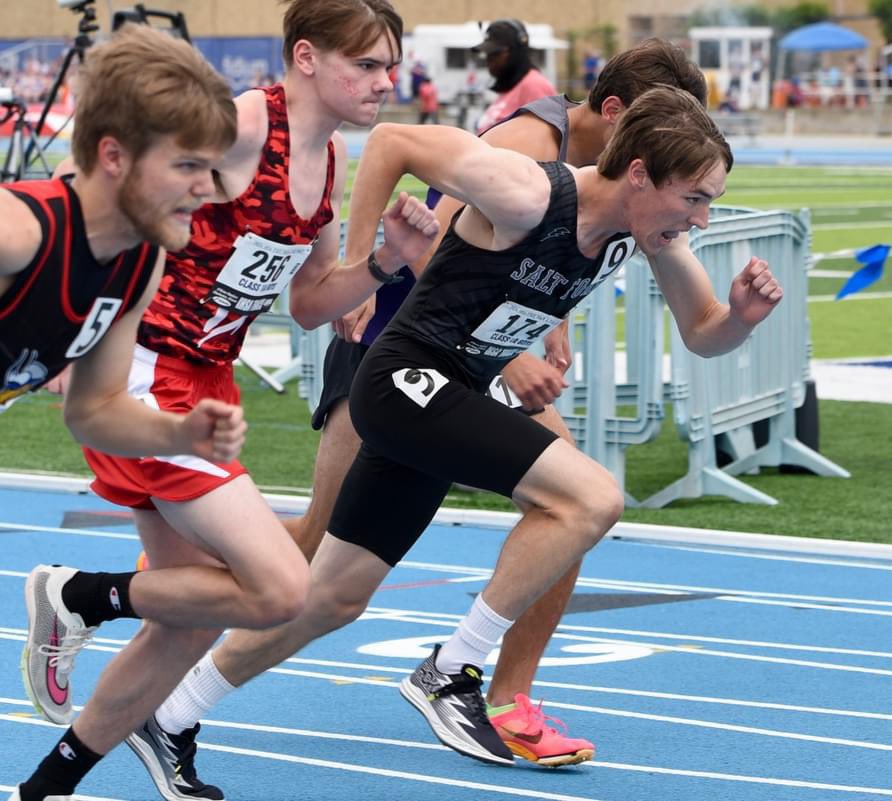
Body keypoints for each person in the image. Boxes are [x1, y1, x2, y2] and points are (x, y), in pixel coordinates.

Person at [133, 84, 782, 778]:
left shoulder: (647, 232)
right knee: (589, 496)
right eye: (693, 197)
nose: (702, 218)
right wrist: (364, 263)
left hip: (450, 396)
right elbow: (394, 142)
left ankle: (167, 715)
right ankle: (452, 668)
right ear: (640, 174)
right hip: (403, 381)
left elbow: (705, 332)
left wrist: (741, 317)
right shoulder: (528, 192)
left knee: (331, 597)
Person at [11, 3, 439, 801]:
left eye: (391, 65)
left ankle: (45, 788)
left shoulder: (331, 157)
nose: (387, 81)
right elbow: (112, 203)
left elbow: (310, 303)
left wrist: (384, 263)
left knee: (192, 619)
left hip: (197, 384)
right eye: (369, 64)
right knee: (279, 587)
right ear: (305, 57)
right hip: (147, 368)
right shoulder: (239, 127)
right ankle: (79, 593)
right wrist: (90, 321)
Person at [4, 23, 243, 801]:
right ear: (114, 155)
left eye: (211, 165)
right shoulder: (17, 232)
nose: (206, 189)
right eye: (186, 165)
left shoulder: (139, 259)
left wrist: (177, 432)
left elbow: (95, 411)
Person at [472, 18, 556, 134]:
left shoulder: (534, 86)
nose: (489, 59)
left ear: (517, 51)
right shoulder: (511, 86)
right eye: (487, 53)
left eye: (495, 53)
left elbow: (544, 140)